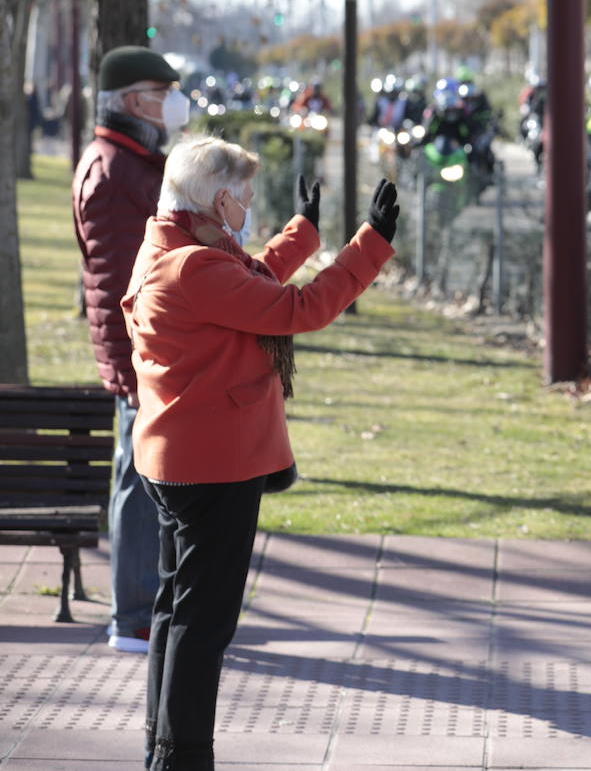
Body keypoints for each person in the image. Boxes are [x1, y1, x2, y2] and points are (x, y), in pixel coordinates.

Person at [122, 137, 400, 770]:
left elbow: (249, 283)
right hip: (213, 462)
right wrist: (371, 243)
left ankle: (163, 745)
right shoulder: (194, 266)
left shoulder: (169, 247)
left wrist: (302, 233)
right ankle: (182, 756)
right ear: (218, 199)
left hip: (177, 457)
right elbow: (295, 308)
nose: (248, 205)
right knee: (202, 621)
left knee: (176, 610)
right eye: (243, 195)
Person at [73, 45, 188, 655]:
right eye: (161, 90)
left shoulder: (132, 164)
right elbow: (125, 283)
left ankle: (145, 610)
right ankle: (136, 616)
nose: (173, 101)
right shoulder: (117, 173)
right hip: (141, 358)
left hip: (146, 355)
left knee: (148, 480)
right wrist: (143, 363)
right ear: (131, 102)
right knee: (141, 483)